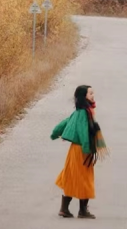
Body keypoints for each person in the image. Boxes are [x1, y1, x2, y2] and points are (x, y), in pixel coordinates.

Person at [51, 85, 108, 219]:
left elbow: (65, 123)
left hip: (75, 150)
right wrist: (87, 149)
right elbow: (83, 132)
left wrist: (55, 133)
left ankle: (64, 209)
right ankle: (82, 211)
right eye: (90, 93)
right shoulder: (84, 113)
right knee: (85, 178)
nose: (93, 95)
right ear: (84, 97)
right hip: (81, 150)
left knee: (71, 176)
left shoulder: (79, 111)